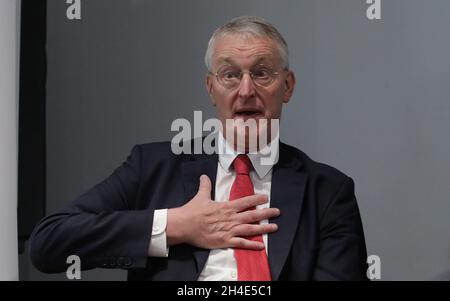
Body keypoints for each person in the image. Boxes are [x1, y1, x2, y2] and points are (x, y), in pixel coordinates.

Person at [30, 16, 368, 281]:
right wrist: (174, 226)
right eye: (230, 75)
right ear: (211, 88)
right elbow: (48, 244)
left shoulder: (328, 191)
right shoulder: (152, 167)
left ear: (288, 86)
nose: (246, 90)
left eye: (262, 73)